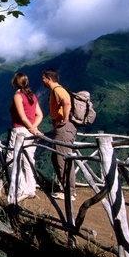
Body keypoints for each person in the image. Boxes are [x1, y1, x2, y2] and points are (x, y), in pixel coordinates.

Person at [7, 72, 43, 202]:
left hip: (20, 131)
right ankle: (31, 189)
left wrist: (30, 128)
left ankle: (21, 188)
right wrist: (34, 128)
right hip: (31, 131)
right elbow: (40, 115)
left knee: (11, 160)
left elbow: (22, 117)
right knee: (29, 161)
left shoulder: (18, 96)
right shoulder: (32, 96)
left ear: (15, 83)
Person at [42, 69, 76, 200]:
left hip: (64, 128)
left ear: (49, 79)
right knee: (57, 158)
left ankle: (69, 192)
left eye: (43, 78)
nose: (42, 81)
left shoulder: (57, 90)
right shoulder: (56, 90)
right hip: (62, 127)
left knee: (62, 159)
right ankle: (67, 188)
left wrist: (65, 119)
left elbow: (66, 102)